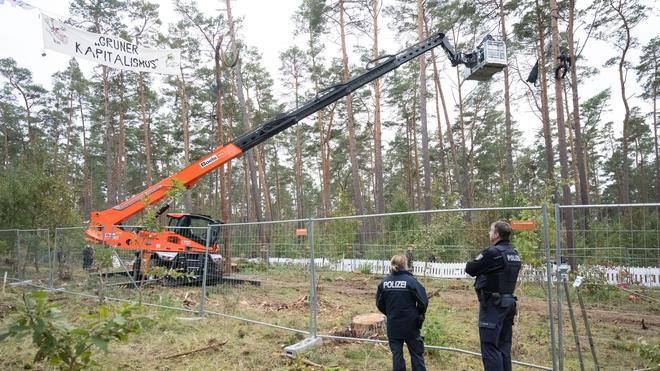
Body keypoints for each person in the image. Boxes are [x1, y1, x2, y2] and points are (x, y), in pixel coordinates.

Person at [465, 221, 521, 371]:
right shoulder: (514, 254)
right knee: (503, 347)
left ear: (496, 234)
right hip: (508, 303)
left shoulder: (492, 253)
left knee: (490, 347)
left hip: (493, 305)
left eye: (490, 231)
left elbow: (470, 268)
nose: (489, 233)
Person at [376, 255, 428, 371]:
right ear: (405, 265)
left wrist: (390, 313)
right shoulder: (411, 282)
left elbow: (380, 304)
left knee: (397, 356)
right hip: (411, 325)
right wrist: (419, 314)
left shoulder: (384, 283)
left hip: (393, 325)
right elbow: (423, 301)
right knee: (416, 354)